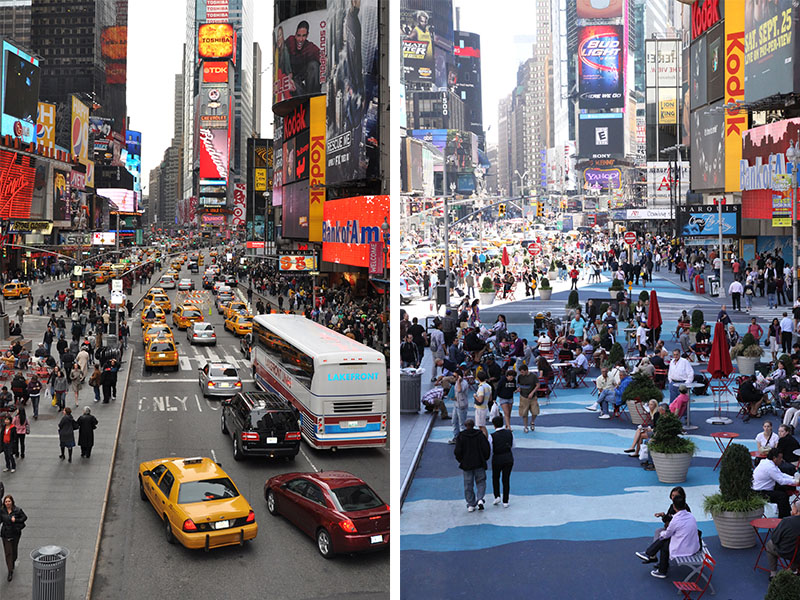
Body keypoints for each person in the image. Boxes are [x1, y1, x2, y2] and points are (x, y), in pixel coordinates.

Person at [634, 494, 699, 578]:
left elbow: (667, 534)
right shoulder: (691, 516)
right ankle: (652, 558)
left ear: (674, 506)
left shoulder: (676, 519)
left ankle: (654, 560)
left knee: (663, 542)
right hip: (692, 545)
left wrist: (661, 534)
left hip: (685, 548)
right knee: (665, 541)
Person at [454, 419, 491, 512]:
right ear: (474, 425)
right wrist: (484, 458)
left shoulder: (461, 436)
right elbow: (486, 448)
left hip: (466, 464)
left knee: (468, 484)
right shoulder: (480, 435)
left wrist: (461, 460)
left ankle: (471, 503)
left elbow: (457, 451)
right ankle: (480, 499)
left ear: (465, 425)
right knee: (481, 481)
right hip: (479, 462)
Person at [753, 448, 798, 518]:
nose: (781, 460)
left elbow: (781, 474)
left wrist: (793, 478)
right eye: (780, 458)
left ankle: (787, 513)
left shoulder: (766, 462)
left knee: (783, 490)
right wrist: (795, 481)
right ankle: (784, 518)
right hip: (760, 492)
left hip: (762, 489)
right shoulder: (770, 467)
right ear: (774, 458)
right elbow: (781, 480)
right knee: (782, 496)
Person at [765, 502, 800, 581]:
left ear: (796, 511)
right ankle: (793, 569)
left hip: (786, 551)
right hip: (798, 553)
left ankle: (773, 573)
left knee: (770, 544)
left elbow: (775, 538)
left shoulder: (787, 521)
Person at [286, 20, 321, 95]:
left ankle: (314, 95)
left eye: (303, 36)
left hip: (304, 76)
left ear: (307, 35)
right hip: (291, 78)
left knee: (314, 65)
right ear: (295, 35)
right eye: (298, 35)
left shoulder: (310, 47)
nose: (300, 39)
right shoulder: (290, 41)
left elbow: (323, 58)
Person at [0, 494, 27, 581]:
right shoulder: (2, 511)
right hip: (5, 534)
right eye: (6, 501)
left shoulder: (17, 510)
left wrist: (16, 520)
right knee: (8, 552)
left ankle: (13, 561)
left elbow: (24, 518)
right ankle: (10, 570)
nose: (7, 503)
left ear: (12, 502)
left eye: (9, 501)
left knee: (14, 551)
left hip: (15, 533)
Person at [490, 415, 514, 508]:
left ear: (494, 425)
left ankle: (497, 496)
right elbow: (513, 445)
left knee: (495, 478)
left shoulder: (492, 436)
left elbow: (490, 448)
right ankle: (506, 500)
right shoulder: (510, 433)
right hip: (508, 457)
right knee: (506, 479)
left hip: (497, 458)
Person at [447, 369, 470, 444]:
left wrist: (459, 381)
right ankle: (456, 437)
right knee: (454, 421)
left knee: (462, 424)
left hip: (462, 405)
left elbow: (460, 390)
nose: (453, 377)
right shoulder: (457, 382)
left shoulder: (463, 383)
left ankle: (463, 440)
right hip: (456, 404)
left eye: (455, 376)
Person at [516, 363, 540, 433]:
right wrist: (519, 389)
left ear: (526, 370)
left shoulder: (533, 376)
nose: (521, 373)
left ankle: (532, 422)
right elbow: (519, 385)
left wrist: (532, 392)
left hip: (532, 397)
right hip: (523, 396)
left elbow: (538, 385)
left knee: (535, 411)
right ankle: (525, 426)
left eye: (523, 372)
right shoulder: (520, 377)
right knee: (524, 413)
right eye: (521, 372)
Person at [473, 371, 491, 437]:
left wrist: (475, 396)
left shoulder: (481, 387)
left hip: (480, 408)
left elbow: (480, 400)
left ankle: (484, 440)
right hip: (485, 407)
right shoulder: (488, 386)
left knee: (481, 426)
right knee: (482, 425)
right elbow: (490, 399)